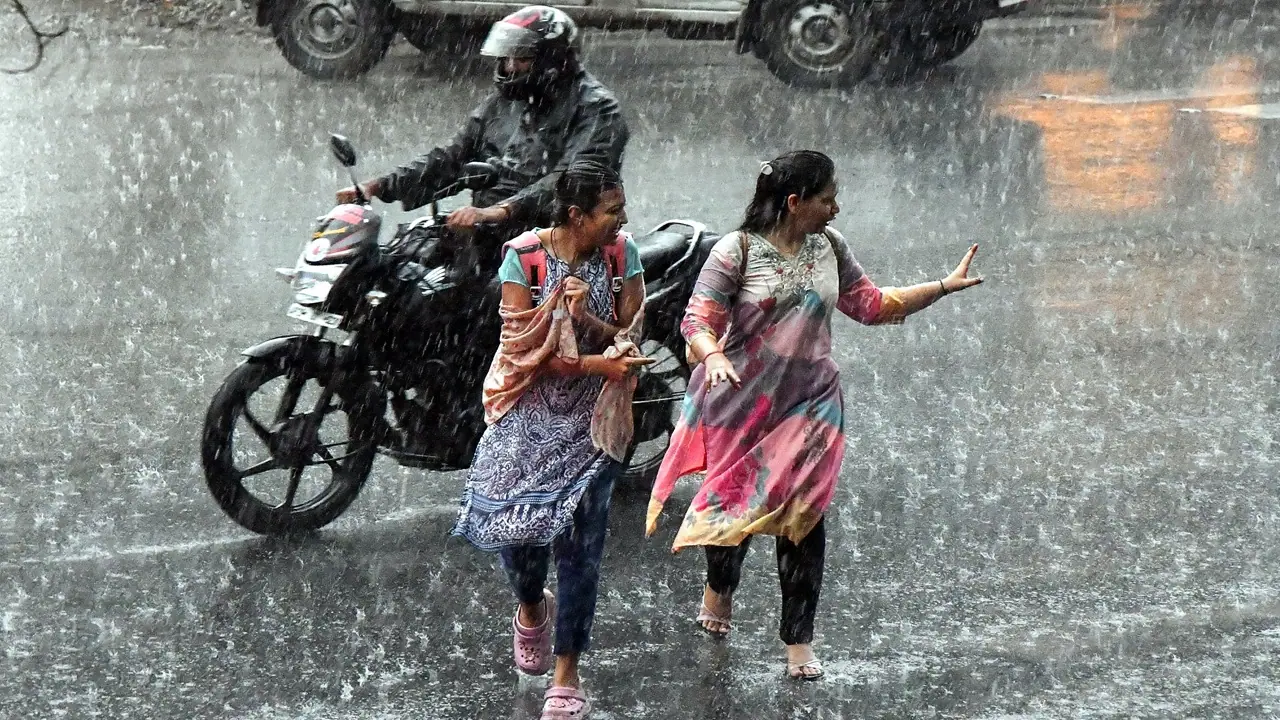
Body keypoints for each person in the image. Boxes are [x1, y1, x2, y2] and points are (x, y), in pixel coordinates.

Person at [645, 150, 984, 681]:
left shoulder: (830, 246)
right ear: (795, 202)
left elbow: (871, 305)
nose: (836, 209)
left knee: (804, 519)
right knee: (730, 521)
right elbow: (697, 321)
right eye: (827, 199)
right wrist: (711, 356)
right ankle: (720, 586)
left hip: (811, 407)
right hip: (740, 404)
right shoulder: (736, 252)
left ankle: (798, 641)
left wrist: (941, 286)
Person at [452, 160, 653, 719]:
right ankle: (530, 608)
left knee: (582, 549)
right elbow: (523, 353)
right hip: (527, 412)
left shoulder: (621, 255)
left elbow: (633, 333)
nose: (623, 218)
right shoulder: (525, 259)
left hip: (596, 419)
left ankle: (567, 673)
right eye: (611, 210)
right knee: (518, 538)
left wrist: (588, 323)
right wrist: (591, 357)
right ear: (576, 215)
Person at [336, 5, 629, 272]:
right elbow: (454, 155)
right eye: (506, 57)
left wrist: (499, 211)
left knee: (492, 308)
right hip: (487, 231)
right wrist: (380, 185)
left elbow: (569, 180)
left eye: (522, 58)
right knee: (400, 275)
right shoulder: (506, 101)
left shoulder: (596, 108)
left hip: (556, 239)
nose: (510, 66)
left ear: (554, 60)